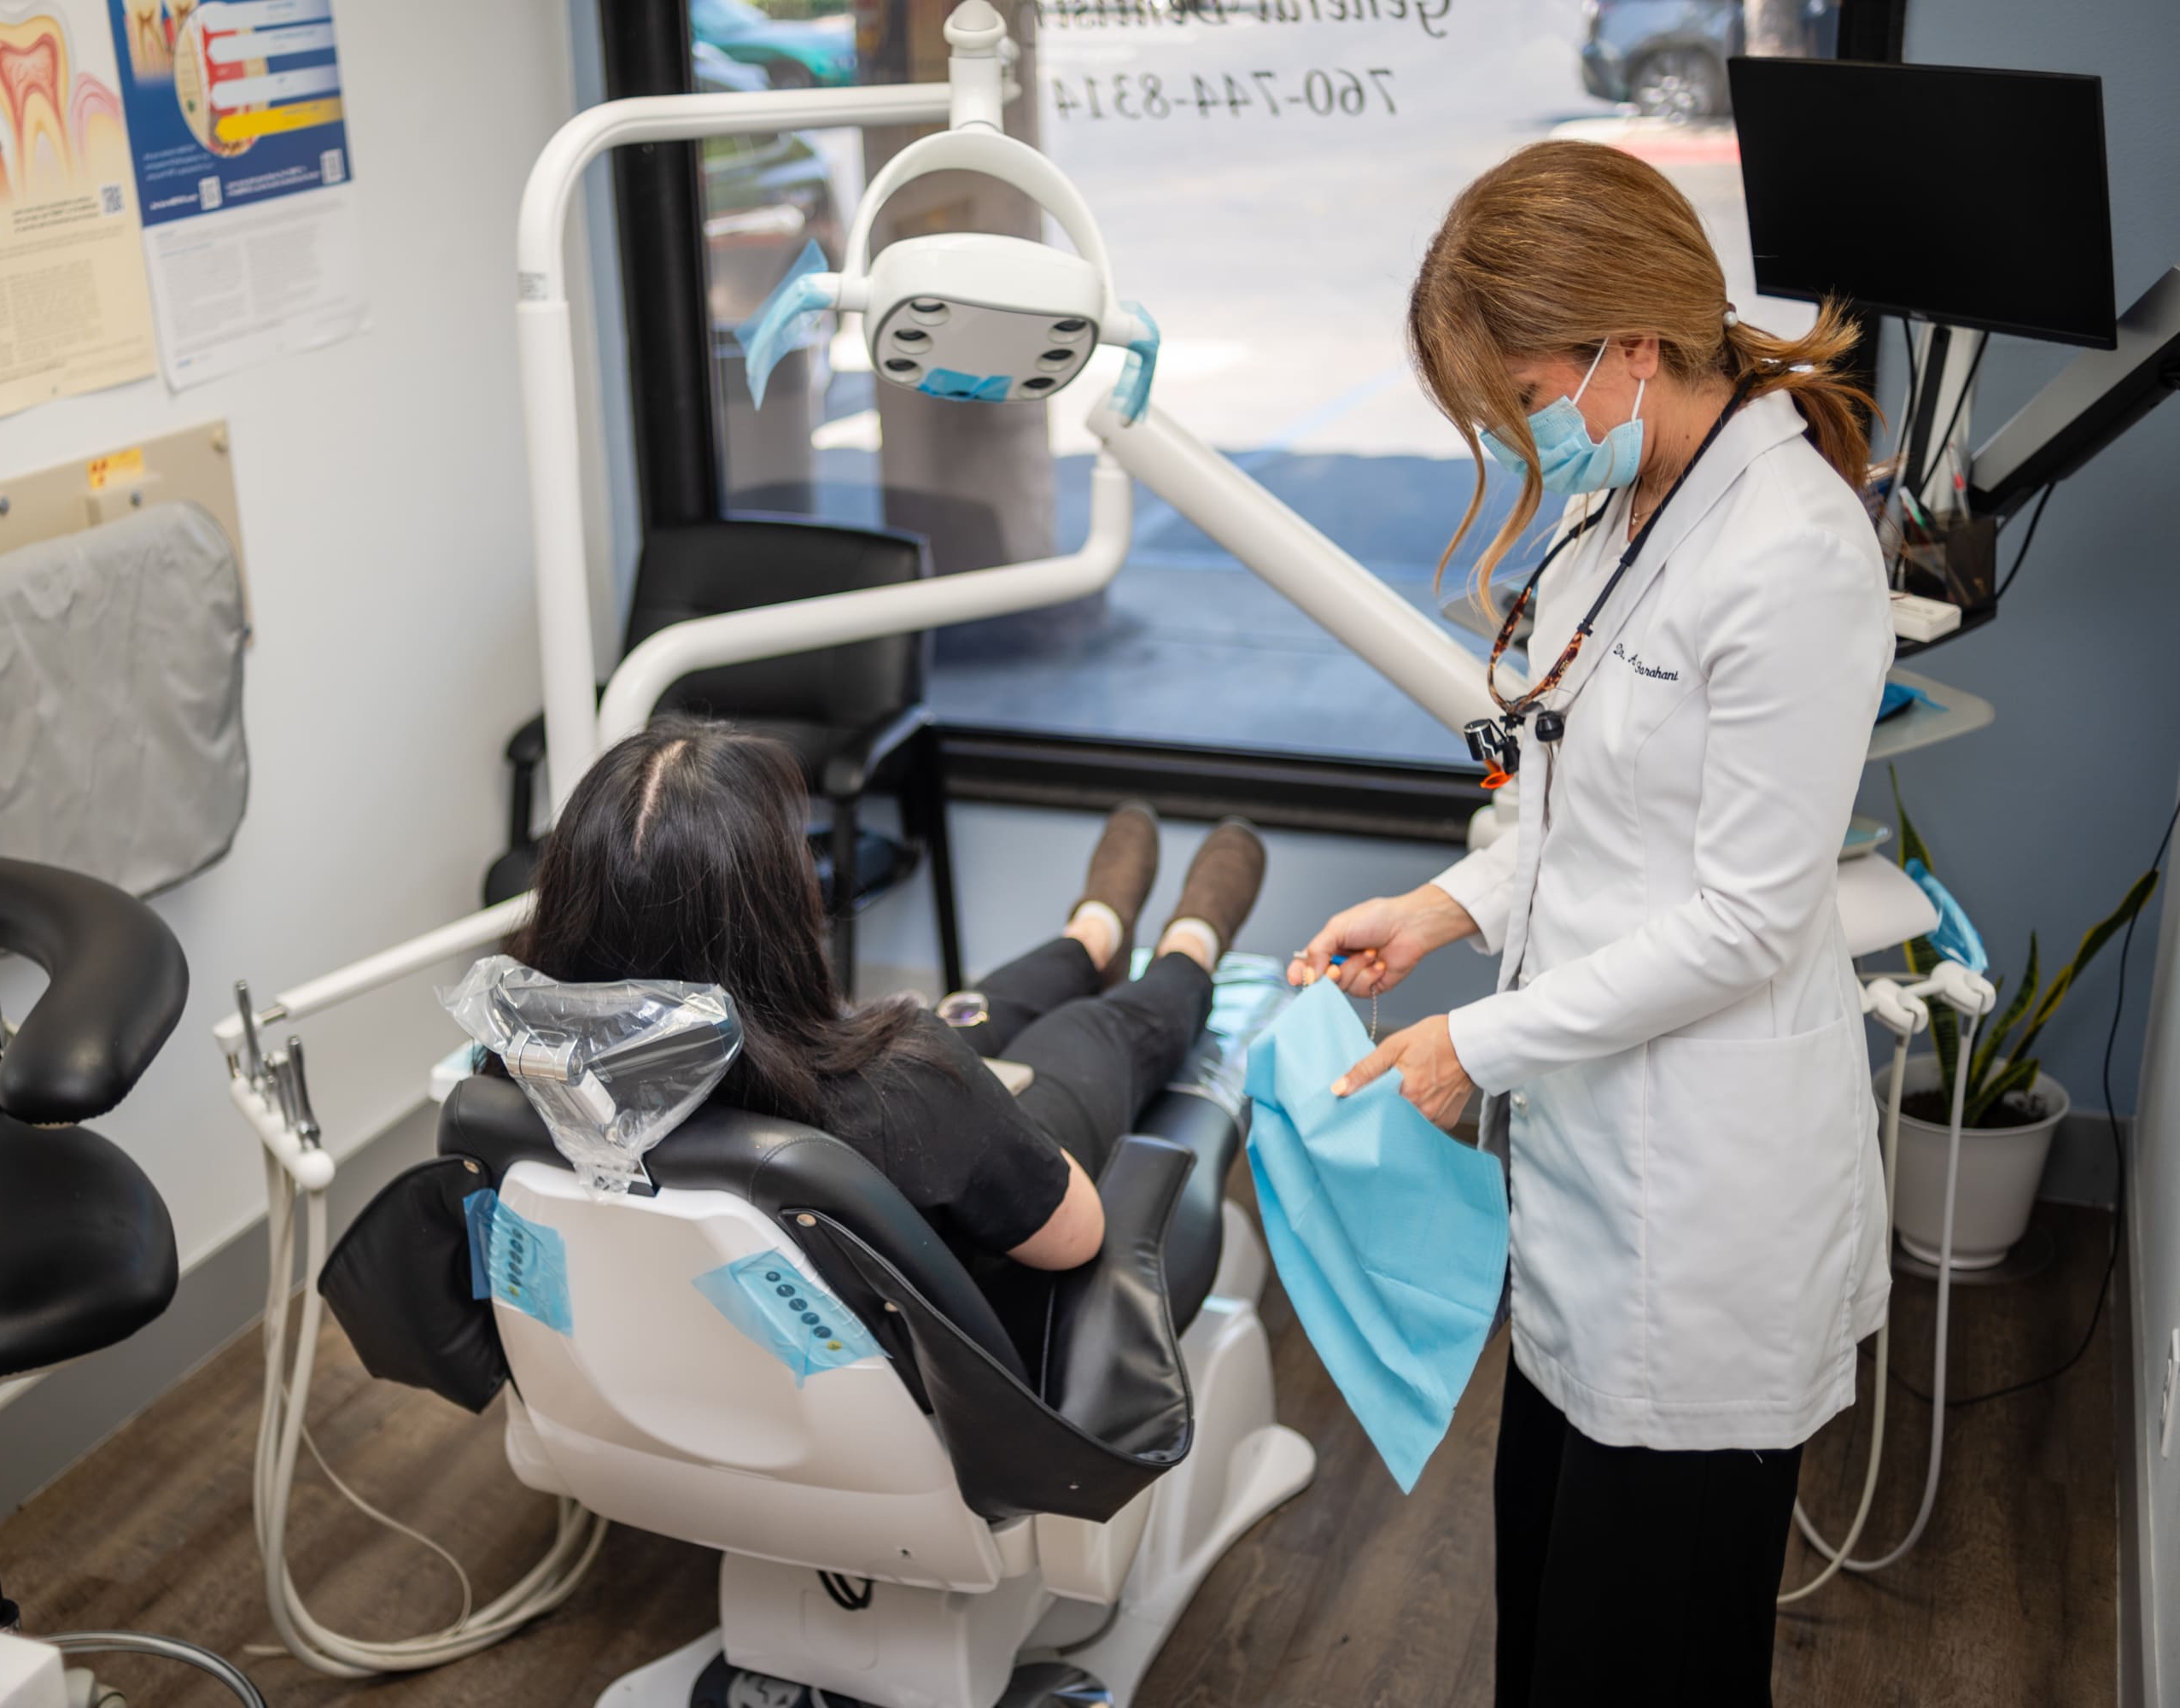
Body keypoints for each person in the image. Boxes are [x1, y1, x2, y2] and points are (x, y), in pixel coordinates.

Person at [1289, 141, 1894, 1705]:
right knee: (1558, 1626)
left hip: (1705, 1202)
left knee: (1655, 1653)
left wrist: (1472, 1045)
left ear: (1633, 349)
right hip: (1590, 1165)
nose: (1517, 433)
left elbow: (1744, 920)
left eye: (1525, 393)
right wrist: (1442, 906)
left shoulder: (1793, 555)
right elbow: (1571, 802)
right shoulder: (1620, 511)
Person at [508, 717, 1267, 1343]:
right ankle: (1188, 948)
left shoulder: (513, 1078)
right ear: (776, 918)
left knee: (974, 1014)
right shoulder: (902, 1090)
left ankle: (1092, 936)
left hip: (690, 1363)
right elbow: (1077, 1237)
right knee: (1099, 1032)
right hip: (933, 1388)